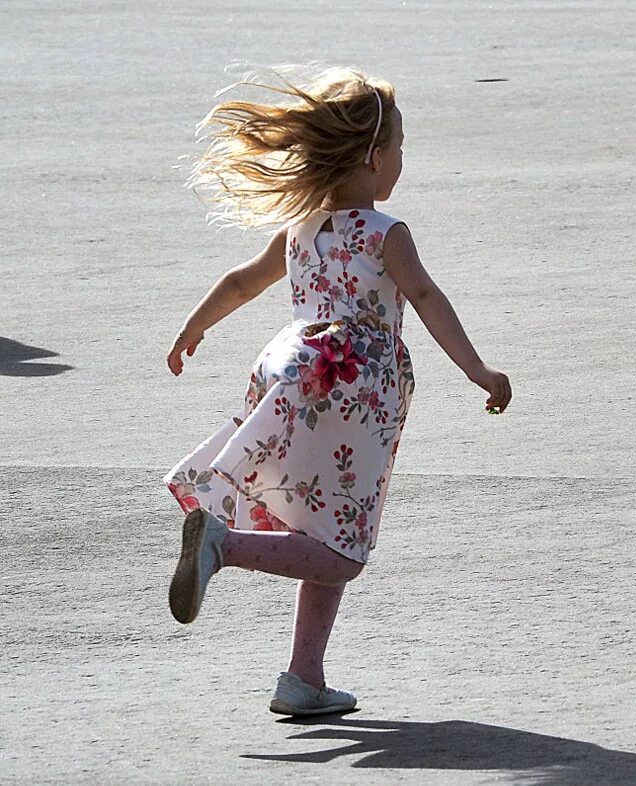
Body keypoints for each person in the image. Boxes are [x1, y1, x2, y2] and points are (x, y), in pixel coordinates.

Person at [163, 67, 512, 715]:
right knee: (341, 552)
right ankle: (220, 544)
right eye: (400, 148)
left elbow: (242, 282)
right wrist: (477, 369)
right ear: (375, 159)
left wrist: (196, 326)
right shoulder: (385, 234)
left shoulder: (300, 227)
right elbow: (426, 297)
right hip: (353, 382)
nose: (402, 161)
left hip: (291, 363)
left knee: (321, 527)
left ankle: (303, 678)